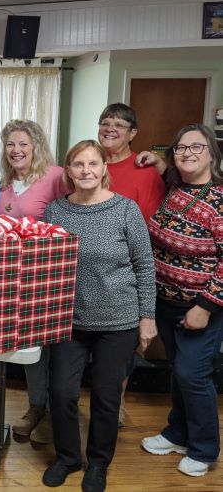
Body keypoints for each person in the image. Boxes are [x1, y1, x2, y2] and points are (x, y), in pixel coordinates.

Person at [42, 140, 156, 492]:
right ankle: (67, 458)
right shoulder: (55, 212)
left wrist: (147, 317)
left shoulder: (126, 210)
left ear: (104, 168)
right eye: (79, 164)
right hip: (68, 320)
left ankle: (98, 463)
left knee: (106, 397)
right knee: (61, 392)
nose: (86, 171)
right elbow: (45, 266)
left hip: (118, 321)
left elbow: (144, 265)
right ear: (68, 170)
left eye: (93, 164)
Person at [141, 124, 223, 478]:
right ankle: (177, 432)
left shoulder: (219, 198)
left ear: (212, 154)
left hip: (201, 306)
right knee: (181, 372)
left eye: (196, 147)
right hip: (167, 301)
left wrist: (205, 307)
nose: (188, 153)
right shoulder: (177, 189)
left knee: (193, 374)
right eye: (181, 148)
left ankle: (204, 450)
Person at [0, 120, 71, 440]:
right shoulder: (5, 184)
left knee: (57, 349)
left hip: (49, 278)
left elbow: (76, 214)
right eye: (11, 144)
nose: (16, 150)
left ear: (36, 146)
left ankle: (60, 411)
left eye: (23, 144)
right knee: (30, 346)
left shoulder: (55, 176)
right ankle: (37, 405)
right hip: (13, 282)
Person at [97, 103, 166, 427]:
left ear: (132, 133)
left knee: (122, 348)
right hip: (85, 273)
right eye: (105, 123)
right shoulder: (92, 163)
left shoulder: (146, 172)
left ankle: (117, 403)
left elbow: (150, 233)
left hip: (123, 277)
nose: (110, 128)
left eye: (119, 125)